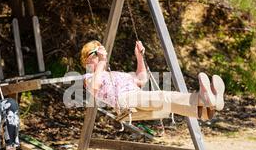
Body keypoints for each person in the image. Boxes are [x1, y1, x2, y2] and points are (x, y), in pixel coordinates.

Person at [80, 40, 225, 120]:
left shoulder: (113, 73)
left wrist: (139, 57)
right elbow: (95, 87)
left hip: (135, 96)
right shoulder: (88, 77)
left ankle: (207, 110)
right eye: (95, 53)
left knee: (168, 104)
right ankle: (203, 98)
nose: (100, 55)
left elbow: (141, 80)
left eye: (101, 52)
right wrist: (102, 61)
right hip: (124, 101)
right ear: (86, 59)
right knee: (163, 96)